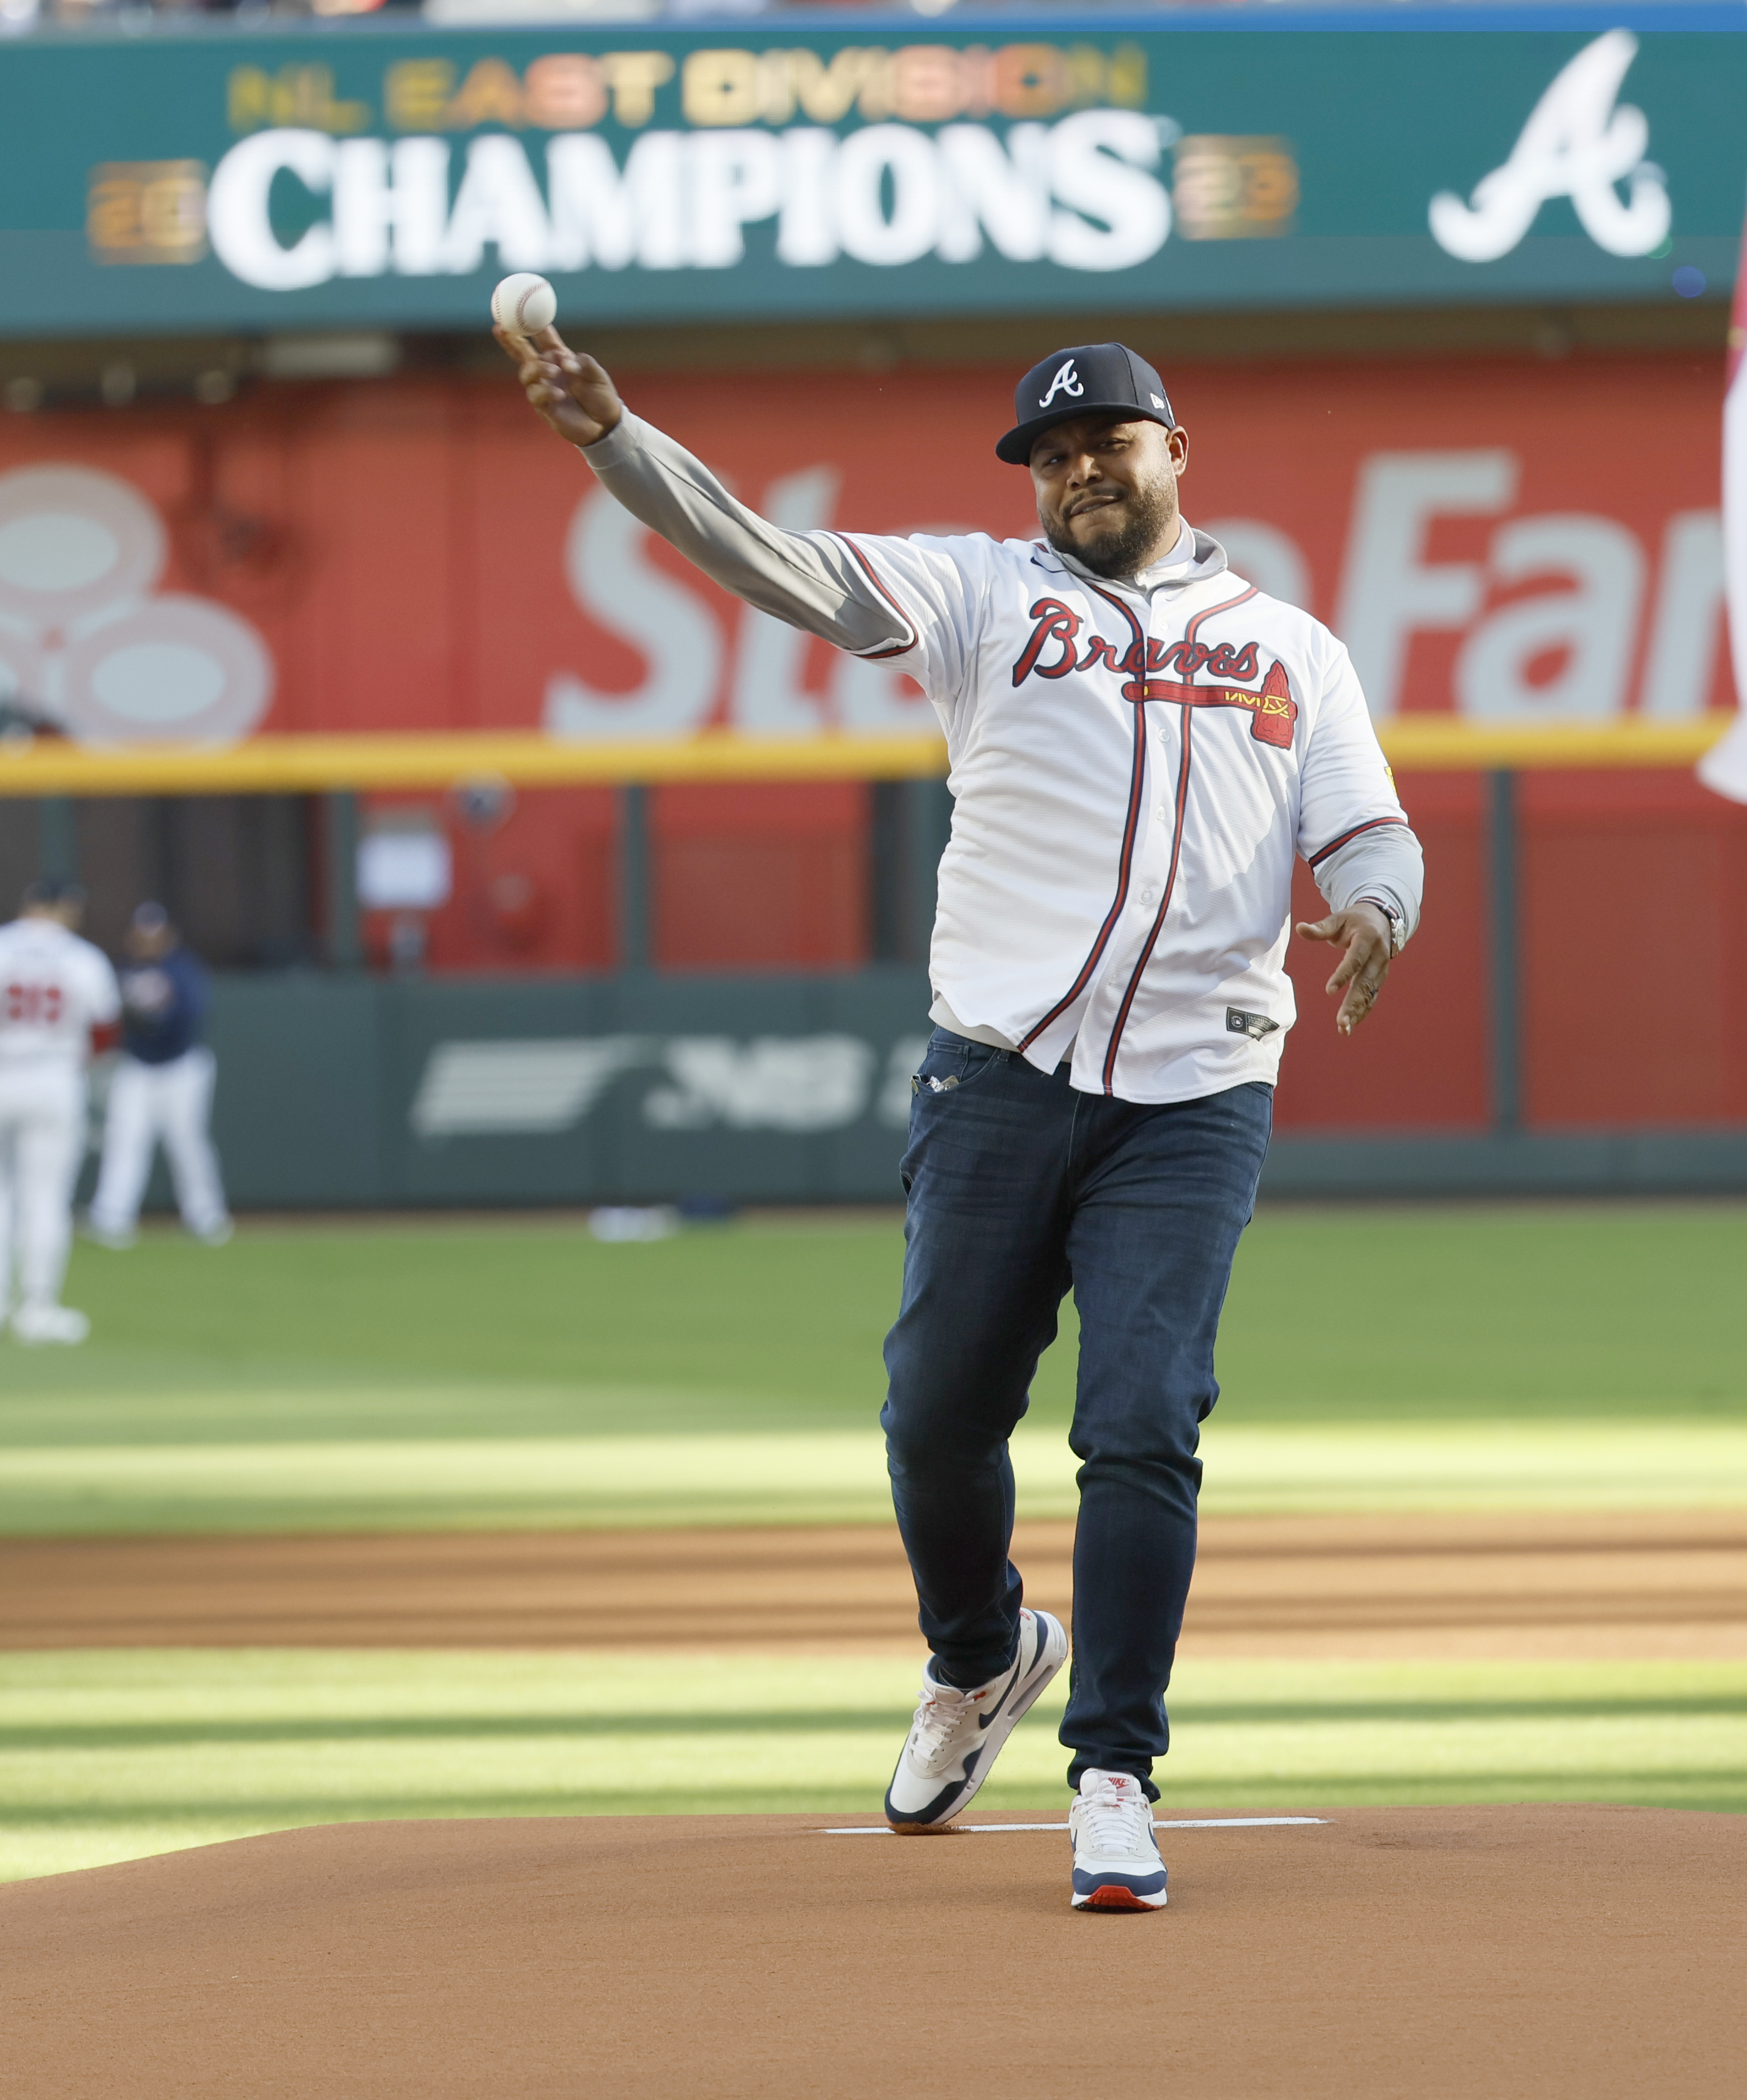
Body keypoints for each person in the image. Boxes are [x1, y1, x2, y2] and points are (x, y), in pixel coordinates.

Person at [499, 326, 1423, 1913]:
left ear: (1170, 449)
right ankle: (980, 1658)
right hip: (998, 1076)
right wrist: (615, 442)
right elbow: (772, 563)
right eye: (1051, 453)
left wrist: (1375, 907)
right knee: (933, 1415)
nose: (1075, 469)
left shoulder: (1290, 648)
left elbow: (1367, 830)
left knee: (1141, 1421)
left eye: (1104, 444)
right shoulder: (980, 599)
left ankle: (1114, 1772)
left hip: (1193, 1094)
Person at [0, 880, 121, 1345]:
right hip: (53, 1076)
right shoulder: (81, 957)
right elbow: (106, 1032)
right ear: (64, 909)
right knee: (45, 1199)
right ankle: (37, 1307)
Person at [87, 904, 230, 1251]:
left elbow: (189, 1016)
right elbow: (107, 1013)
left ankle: (207, 1216)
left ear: (167, 934)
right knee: (125, 1140)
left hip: (181, 1065)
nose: (147, 940)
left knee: (187, 1141)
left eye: (154, 933)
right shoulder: (123, 967)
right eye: (142, 933)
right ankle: (111, 1217)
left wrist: (149, 1019)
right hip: (136, 1066)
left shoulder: (183, 968)